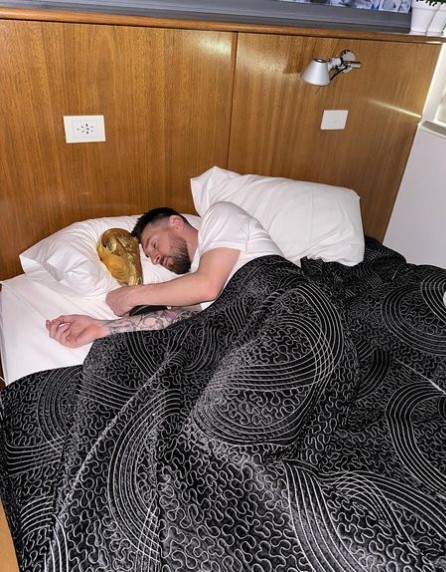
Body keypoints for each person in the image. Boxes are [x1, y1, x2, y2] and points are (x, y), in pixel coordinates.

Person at [46, 201, 283, 348]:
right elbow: (174, 320)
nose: (156, 259)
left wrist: (132, 295)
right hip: (259, 337)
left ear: (176, 222)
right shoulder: (191, 284)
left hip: (286, 304)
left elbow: (206, 286)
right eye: (150, 257)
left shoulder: (220, 214)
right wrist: (102, 327)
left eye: (154, 244)